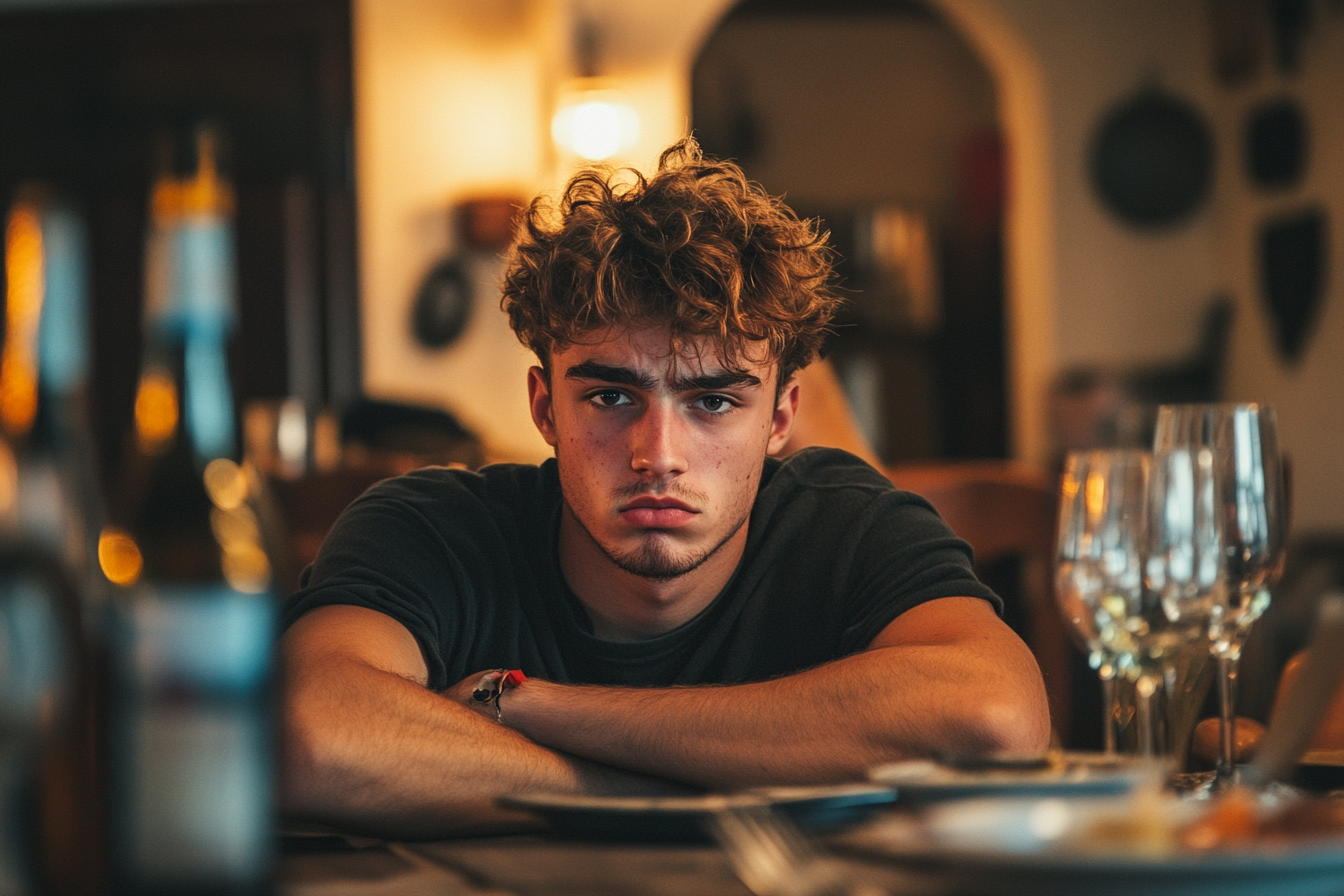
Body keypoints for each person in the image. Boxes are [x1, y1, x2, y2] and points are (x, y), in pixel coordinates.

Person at [279, 139, 1050, 839]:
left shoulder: (848, 525)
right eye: (611, 398)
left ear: (781, 417)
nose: (658, 455)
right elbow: (307, 731)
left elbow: (997, 716)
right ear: (545, 406)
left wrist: (530, 703)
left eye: (713, 402)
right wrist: (663, 797)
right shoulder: (433, 528)